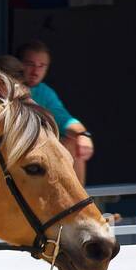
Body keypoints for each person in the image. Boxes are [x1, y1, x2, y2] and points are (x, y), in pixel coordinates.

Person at [13, 42, 94, 181]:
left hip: (37, 155)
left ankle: (79, 201)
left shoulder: (45, 93)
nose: (35, 71)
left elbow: (65, 120)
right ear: (18, 64)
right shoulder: (5, 85)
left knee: (73, 143)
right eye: (30, 64)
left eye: (41, 66)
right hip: (10, 153)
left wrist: (83, 135)